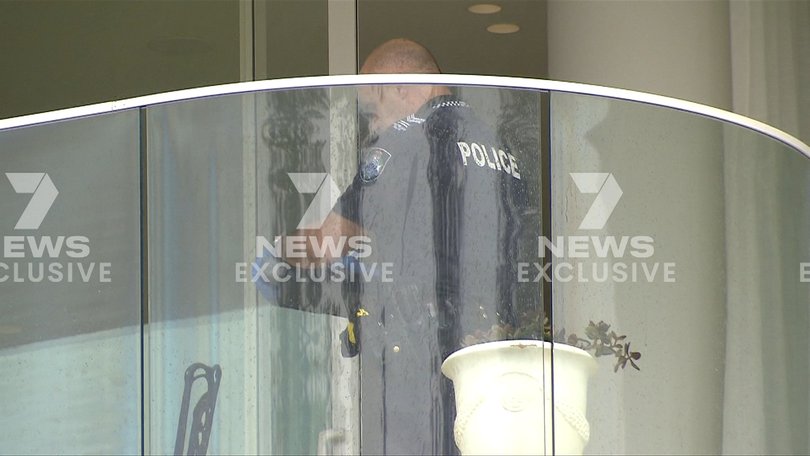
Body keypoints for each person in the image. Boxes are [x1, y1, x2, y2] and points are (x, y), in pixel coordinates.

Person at [255, 38, 538, 454]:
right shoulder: (501, 148)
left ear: (403, 87)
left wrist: (269, 247)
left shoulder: (404, 141)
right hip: (498, 363)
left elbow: (329, 244)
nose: (372, 126)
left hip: (421, 366)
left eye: (374, 109)